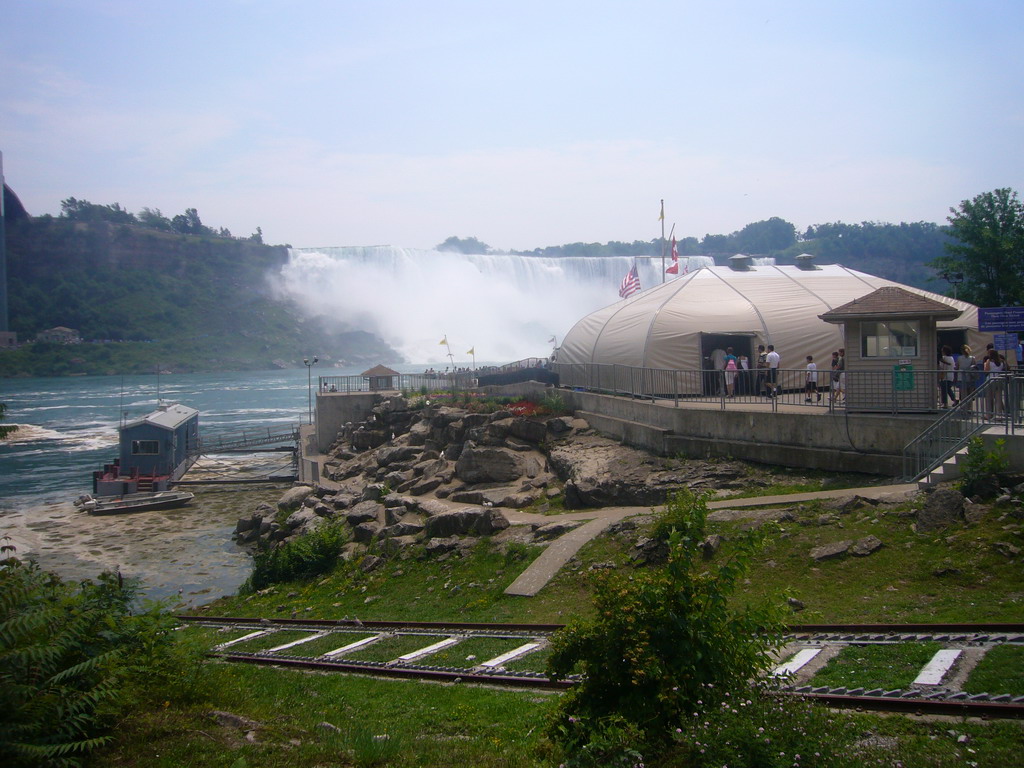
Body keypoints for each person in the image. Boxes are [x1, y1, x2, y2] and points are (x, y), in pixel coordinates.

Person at [983, 348, 1006, 419]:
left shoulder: (989, 361)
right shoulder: (1002, 361)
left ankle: (989, 414)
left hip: (990, 380)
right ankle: (999, 415)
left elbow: (986, 370)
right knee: (998, 398)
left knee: (989, 398)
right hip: (999, 380)